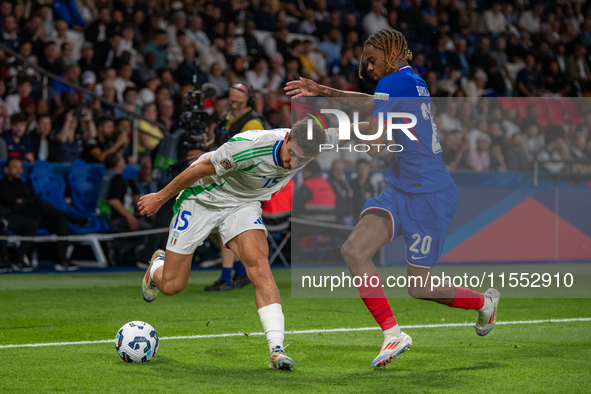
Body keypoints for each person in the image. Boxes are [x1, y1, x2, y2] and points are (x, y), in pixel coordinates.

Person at [285, 28, 500, 369]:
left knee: (420, 287)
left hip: (430, 194)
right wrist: (324, 90)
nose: (368, 67)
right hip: (402, 189)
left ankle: (484, 304)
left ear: (389, 52)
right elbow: (373, 106)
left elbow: (376, 146)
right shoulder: (409, 80)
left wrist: (331, 135)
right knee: (354, 250)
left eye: (372, 60)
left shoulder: (393, 85)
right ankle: (392, 333)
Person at [138, 119, 331, 371]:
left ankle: (276, 349)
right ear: (286, 139)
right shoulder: (249, 146)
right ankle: (156, 268)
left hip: (242, 204)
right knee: (172, 285)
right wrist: (160, 198)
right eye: (291, 153)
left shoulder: (318, 142)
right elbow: (200, 168)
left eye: (301, 159)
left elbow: (363, 129)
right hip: (202, 197)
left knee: (260, 268)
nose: (292, 163)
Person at [0, 158, 87, 271]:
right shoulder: (2, 186)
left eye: (20, 167)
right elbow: (15, 205)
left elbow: (28, 200)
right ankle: (72, 217)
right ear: (6, 169)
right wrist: (29, 201)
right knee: (38, 206)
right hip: (20, 218)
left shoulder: (25, 184)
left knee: (60, 220)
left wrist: (24, 201)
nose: (19, 170)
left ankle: (62, 260)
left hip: (36, 215)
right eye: (15, 167)